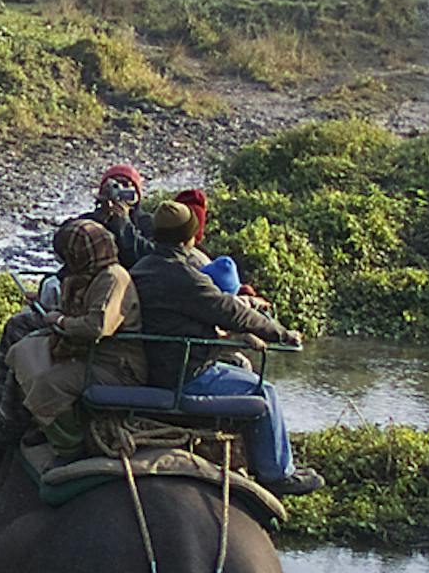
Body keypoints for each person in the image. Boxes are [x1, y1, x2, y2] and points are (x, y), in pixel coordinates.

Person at [130, 199, 324, 496]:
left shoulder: (142, 267)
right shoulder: (184, 278)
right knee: (264, 391)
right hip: (186, 373)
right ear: (190, 237)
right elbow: (233, 312)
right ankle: (277, 474)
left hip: (155, 364)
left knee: (237, 366)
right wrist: (280, 333)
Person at [8, 219, 145, 453]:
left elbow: (97, 327)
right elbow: (76, 314)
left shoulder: (112, 278)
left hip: (115, 365)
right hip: (89, 355)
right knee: (20, 352)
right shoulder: (85, 277)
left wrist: (60, 321)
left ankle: (71, 443)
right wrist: (45, 308)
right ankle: (26, 421)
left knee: (47, 385)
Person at [79, 162, 155, 267]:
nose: (119, 190)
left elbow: (148, 255)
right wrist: (101, 218)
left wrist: (124, 223)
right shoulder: (90, 220)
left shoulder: (147, 222)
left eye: (125, 185)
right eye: (114, 185)